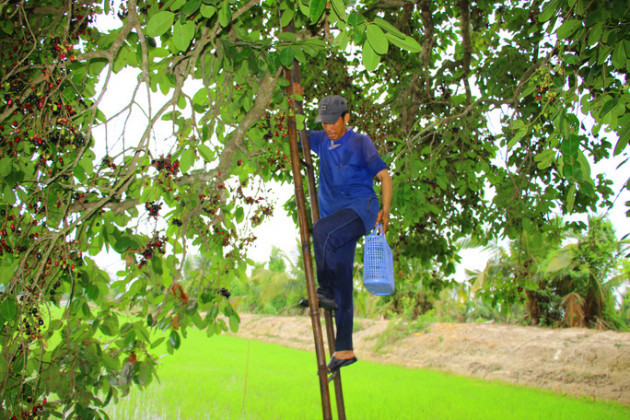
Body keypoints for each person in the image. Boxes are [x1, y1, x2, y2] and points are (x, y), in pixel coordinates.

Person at [300, 93, 393, 373]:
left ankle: (324, 291)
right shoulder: (321, 141)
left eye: (334, 122)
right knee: (342, 280)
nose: (329, 128)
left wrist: (385, 212)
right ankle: (344, 349)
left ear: (346, 118)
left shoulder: (360, 142)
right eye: (325, 123)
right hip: (337, 222)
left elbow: (385, 177)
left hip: (360, 211)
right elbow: (296, 134)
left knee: (321, 231)